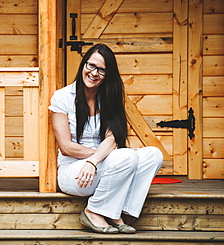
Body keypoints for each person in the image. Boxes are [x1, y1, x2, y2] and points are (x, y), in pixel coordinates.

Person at [49, 44, 163, 234]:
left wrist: (97, 160)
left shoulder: (110, 98)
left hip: (99, 165)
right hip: (75, 172)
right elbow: (67, 147)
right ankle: (93, 211)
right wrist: (101, 159)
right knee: (125, 156)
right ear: (83, 64)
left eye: (101, 70)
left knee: (154, 154)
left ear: (107, 75)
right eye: (91, 66)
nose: (94, 73)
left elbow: (113, 139)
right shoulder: (63, 97)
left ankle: (119, 212)